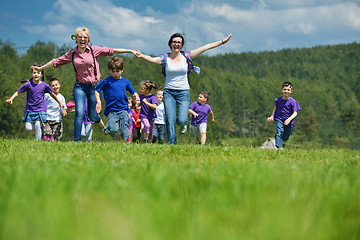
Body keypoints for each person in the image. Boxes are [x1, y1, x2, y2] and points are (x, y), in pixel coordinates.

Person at [31, 27, 138, 142]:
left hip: (94, 87)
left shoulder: (94, 50)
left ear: (88, 39)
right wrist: (41, 68)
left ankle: (99, 122)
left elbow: (112, 50)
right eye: (80, 37)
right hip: (79, 87)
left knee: (92, 115)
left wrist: (130, 51)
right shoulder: (72, 54)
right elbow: (56, 61)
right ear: (76, 39)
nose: (82, 39)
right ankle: (77, 141)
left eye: (85, 37)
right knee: (79, 112)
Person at [135, 32, 232, 144]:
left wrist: (222, 42)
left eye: (179, 42)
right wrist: (141, 55)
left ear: (181, 45)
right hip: (169, 92)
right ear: (170, 44)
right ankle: (172, 144)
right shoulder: (165, 58)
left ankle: (183, 125)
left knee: (182, 119)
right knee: (170, 119)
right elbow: (152, 59)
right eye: (174, 42)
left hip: (183, 92)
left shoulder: (186, 56)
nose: (176, 44)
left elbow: (205, 47)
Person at [6, 63, 65, 141]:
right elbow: (18, 92)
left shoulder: (45, 85)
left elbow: (52, 94)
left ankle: (37, 142)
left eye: (38, 72)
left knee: (38, 124)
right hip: (30, 109)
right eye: (34, 72)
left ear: (41, 75)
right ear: (31, 74)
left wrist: (59, 103)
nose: (36, 74)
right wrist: (11, 99)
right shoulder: (28, 85)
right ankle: (36, 132)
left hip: (40, 109)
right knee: (28, 128)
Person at [95, 56, 140, 142]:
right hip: (112, 111)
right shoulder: (107, 81)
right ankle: (107, 128)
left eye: (117, 71)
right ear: (109, 70)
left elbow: (132, 91)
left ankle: (125, 145)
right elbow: (97, 90)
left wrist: (136, 96)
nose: (115, 74)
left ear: (122, 70)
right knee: (113, 130)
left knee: (126, 133)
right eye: (113, 71)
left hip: (123, 110)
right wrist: (98, 102)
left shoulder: (125, 81)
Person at [267, 81, 301, 149]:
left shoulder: (293, 101)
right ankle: (279, 147)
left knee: (285, 137)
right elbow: (275, 107)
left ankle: (280, 138)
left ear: (291, 91)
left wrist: (289, 119)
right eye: (284, 89)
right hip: (279, 119)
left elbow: (295, 113)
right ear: (282, 90)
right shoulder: (278, 100)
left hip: (288, 121)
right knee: (279, 132)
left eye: (288, 90)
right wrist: (272, 116)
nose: (286, 91)